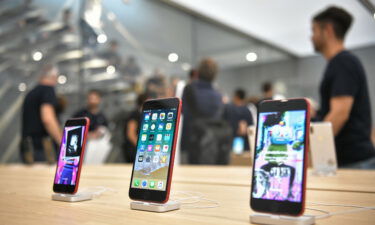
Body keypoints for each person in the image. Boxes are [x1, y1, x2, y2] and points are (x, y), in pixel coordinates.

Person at [311, 6, 375, 168]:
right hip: (353, 159)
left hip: (354, 161)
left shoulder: (343, 62)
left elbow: (339, 113)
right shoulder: (339, 63)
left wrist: (315, 151)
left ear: (328, 30)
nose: (311, 37)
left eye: (314, 30)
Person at [182, 58, 232, 164]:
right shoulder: (218, 94)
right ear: (215, 75)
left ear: (198, 72)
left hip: (194, 144)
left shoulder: (190, 89)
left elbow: (185, 116)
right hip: (214, 145)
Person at [21, 64, 62, 163]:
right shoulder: (48, 90)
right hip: (44, 149)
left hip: (27, 147)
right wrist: (63, 143)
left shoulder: (31, 93)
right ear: (53, 77)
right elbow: (48, 119)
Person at [123, 93, 149, 163]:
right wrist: (142, 148)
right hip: (134, 150)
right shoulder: (135, 115)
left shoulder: (147, 115)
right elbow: (131, 135)